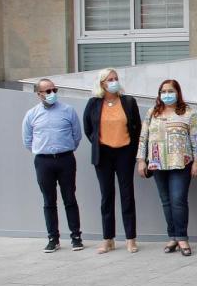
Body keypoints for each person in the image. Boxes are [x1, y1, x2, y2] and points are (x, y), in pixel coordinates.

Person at [137, 79, 197, 256]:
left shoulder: (188, 112)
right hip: (158, 163)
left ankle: (182, 237)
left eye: (170, 91)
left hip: (181, 163)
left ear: (178, 92)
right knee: (166, 201)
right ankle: (172, 236)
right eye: (163, 91)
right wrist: (141, 160)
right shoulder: (152, 112)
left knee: (178, 200)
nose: (167, 95)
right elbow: (144, 137)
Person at [82, 69, 142, 254]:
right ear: (102, 83)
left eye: (116, 79)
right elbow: (88, 128)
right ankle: (108, 239)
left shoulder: (128, 102)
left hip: (124, 152)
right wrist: (99, 143)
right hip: (103, 154)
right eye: (110, 79)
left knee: (127, 195)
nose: (114, 82)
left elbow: (136, 128)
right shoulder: (93, 103)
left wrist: (133, 151)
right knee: (106, 196)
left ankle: (131, 239)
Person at [22, 79, 83, 253]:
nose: (52, 93)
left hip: (65, 159)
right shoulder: (31, 114)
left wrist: (65, 149)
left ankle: (76, 237)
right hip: (43, 161)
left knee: (69, 198)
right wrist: (43, 150)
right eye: (47, 91)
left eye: (54, 89)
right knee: (49, 201)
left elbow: (76, 135)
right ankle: (52, 238)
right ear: (39, 94)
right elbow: (27, 140)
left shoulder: (68, 111)